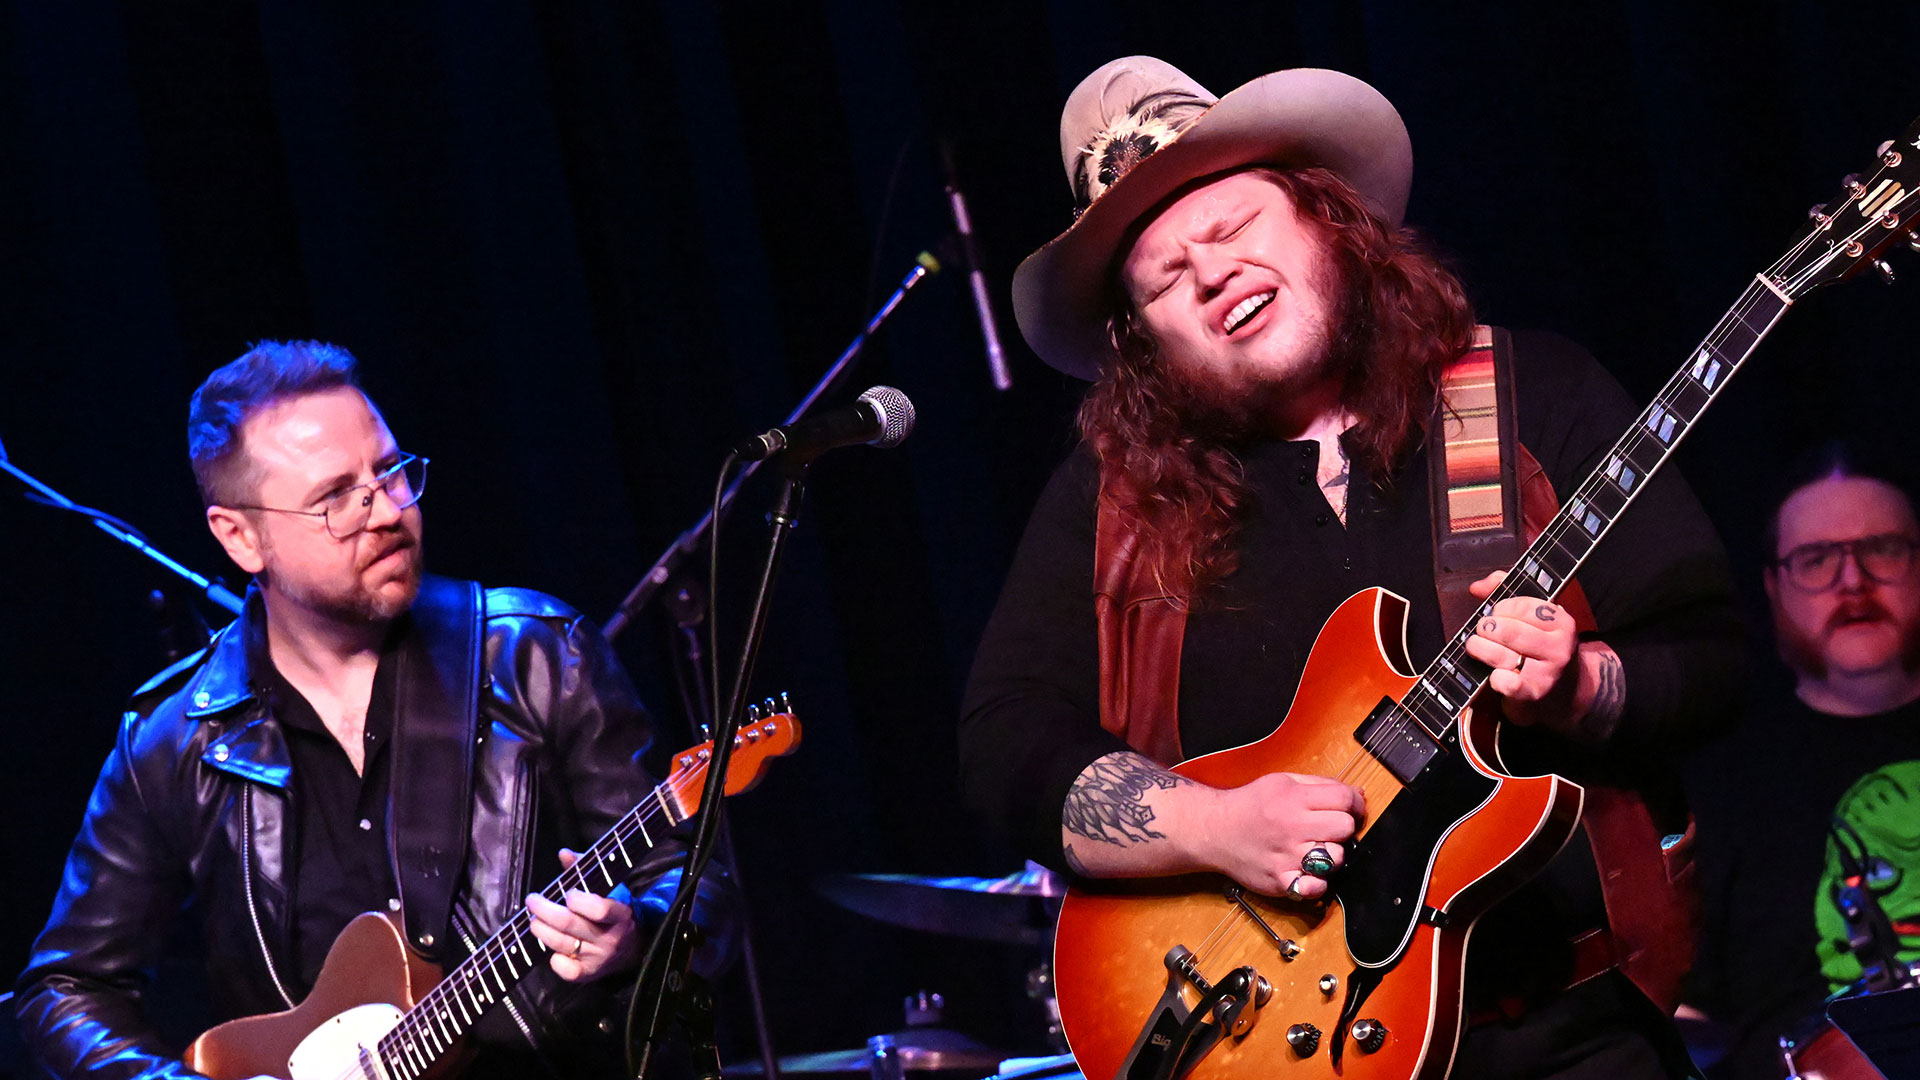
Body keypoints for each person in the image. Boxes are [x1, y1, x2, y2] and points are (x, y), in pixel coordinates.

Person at [960, 57, 1743, 1078]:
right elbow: (1004, 742)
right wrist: (1215, 827)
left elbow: (1715, 660)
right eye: (1165, 276)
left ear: (1323, 217)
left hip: (1571, 1039)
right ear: (1141, 338)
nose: (1212, 273)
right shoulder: (1115, 504)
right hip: (1280, 1045)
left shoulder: (1530, 393)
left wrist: (1583, 689)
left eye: (1235, 225)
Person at [15, 342, 734, 1079]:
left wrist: (639, 935)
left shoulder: (536, 655)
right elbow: (63, 989)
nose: (388, 511)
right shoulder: (173, 741)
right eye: (336, 498)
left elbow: (693, 877)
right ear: (240, 537)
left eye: (390, 472)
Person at [1687, 443, 1920, 1079]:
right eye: (1816, 559)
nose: (1853, 581)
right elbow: (1689, 1019)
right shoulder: (1719, 780)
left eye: (1882, 548)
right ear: (1773, 587)